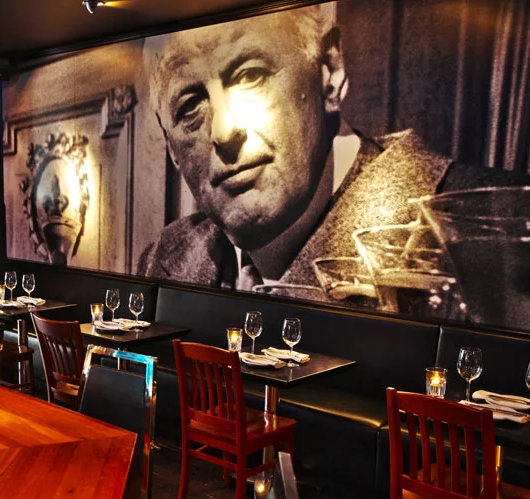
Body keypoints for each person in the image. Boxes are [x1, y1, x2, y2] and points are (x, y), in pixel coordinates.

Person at [137, 3, 528, 293]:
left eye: (251, 75)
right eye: (190, 106)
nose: (224, 132)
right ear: (171, 147)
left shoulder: (505, 236)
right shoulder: (161, 257)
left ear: (330, 70)